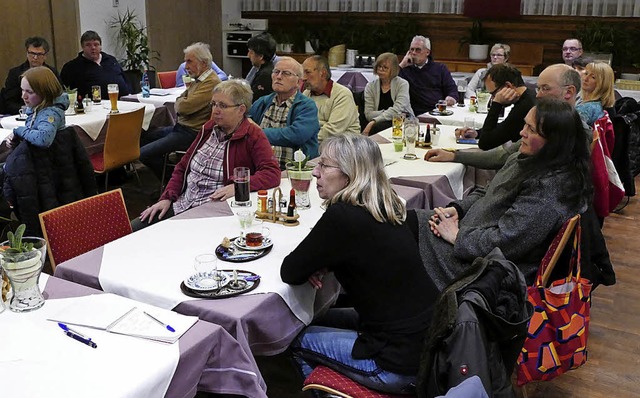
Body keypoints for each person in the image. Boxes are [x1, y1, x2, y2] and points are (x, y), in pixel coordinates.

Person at [282, 133, 438, 395]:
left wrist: (321, 260)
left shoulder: (342, 215)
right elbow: (361, 250)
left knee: (291, 336)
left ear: (349, 174)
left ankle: (326, 390)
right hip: (424, 348)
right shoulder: (387, 206)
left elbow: (290, 271)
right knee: (315, 317)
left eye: (324, 166)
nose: (315, 173)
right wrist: (327, 260)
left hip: (393, 363)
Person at [419, 99, 592, 289]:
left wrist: (457, 236)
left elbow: (507, 243)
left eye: (531, 130)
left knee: (401, 237)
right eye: (525, 125)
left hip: (486, 269)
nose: (522, 133)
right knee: (406, 220)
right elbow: (488, 191)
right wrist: (458, 210)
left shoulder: (549, 188)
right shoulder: (526, 159)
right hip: (474, 239)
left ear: (554, 142)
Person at [134, 79, 280, 230]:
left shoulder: (252, 135)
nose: (215, 110)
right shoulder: (209, 128)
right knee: (131, 231)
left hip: (213, 212)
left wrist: (238, 186)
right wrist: (166, 198)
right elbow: (182, 167)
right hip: (183, 203)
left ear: (241, 109)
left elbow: (272, 173)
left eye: (222, 106)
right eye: (214, 104)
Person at [426, 64, 582, 168]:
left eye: (545, 89)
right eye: (538, 88)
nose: (539, 96)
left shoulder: (536, 112)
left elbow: (491, 147)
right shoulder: (555, 117)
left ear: (569, 92)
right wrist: (476, 134)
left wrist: (497, 104)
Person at [140, 42, 221, 179]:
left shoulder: (211, 83)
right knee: (143, 136)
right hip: (180, 128)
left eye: (189, 62)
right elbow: (182, 99)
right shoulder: (199, 79)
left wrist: (181, 103)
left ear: (204, 63)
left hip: (192, 133)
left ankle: (172, 183)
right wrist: (181, 102)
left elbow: (184, 107)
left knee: (143, 153)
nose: (186, 67)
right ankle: (174, 176)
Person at [249, 56, 319, 170]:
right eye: (276, 72)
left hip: (293, 170)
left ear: (298, 82)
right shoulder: (262, 102)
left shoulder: (307, 106)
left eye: (286, 73)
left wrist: (259, 133)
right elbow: (245, 125)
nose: (279, 77)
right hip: (260, 168)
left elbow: (296, 135)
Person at [456, 64, 536, 150]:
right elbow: (505, 126)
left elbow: (485, 143)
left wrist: (497, 104)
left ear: (508, 86)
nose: (493, 98)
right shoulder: (529, 96)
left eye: (493, 94)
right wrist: (477, 133)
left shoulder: (525, 107)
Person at [3, 66, 69, 149]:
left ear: (45, 92)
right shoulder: (36, 109)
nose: (23, 96)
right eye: (22, 90)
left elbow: (43, 139)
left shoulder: (50, 113)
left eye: (29, 92)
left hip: (49, 159)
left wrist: (19, 131)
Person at [302, 55, 361, 141]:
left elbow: (333, 131)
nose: (303, 78)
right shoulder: (306, 94)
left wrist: (303, 137)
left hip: (343, 147)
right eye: (302, 73)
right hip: (315, 143)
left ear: (323, 73)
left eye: (307, 72)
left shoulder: (342, 94)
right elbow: (300, 123)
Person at [60, 30, 131, 99]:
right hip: (93, 107)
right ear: (82, 47)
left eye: (96, 44)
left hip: (122, 102)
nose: (93, 48)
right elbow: (65, 92)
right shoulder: (72, 67)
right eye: (88, 45)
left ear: (100, 46)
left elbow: (125, 80)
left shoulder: (111, 60)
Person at [399, 35, 458, 115]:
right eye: (411, 50)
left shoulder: (440, 68)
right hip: (414, 113)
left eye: (418, 50)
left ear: (427, 52)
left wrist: (451, 97)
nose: (413, 53)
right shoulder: (405, 70)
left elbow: (452, 89)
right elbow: (389, 81)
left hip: (437, 111)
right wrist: (402, 64)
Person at [1, 37, 59, 115]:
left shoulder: (52, 72)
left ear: (45, 55)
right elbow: (9, 102)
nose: (35, 57)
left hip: (49, 113)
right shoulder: (15, 73)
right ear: (27, 53)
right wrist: (27, 110)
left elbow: (58, 95)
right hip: (22, 113)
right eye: (32, 53)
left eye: (39, 54)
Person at [362, 52, 413, 136]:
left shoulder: (403, 84)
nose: (381, 69)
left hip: (402, 122)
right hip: (380, 122)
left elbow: (398, 109)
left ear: (393, 70)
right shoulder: (370, 86)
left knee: (377, 127)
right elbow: (368, 114)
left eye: (385, 67)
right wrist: (386, 113)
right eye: (379, 66)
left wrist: (374, 121)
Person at [577, 61, 615, 127]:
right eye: (586, 73)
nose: (585, 79)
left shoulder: (587, 108)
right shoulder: (601, 106)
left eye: (593, 77)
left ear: (602, 83)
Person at [246, 32, 277, 102]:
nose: (248, 55)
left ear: (260, 56)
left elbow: (254, 100)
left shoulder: (265, 75)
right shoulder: (262, 69)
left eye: (251, 52)